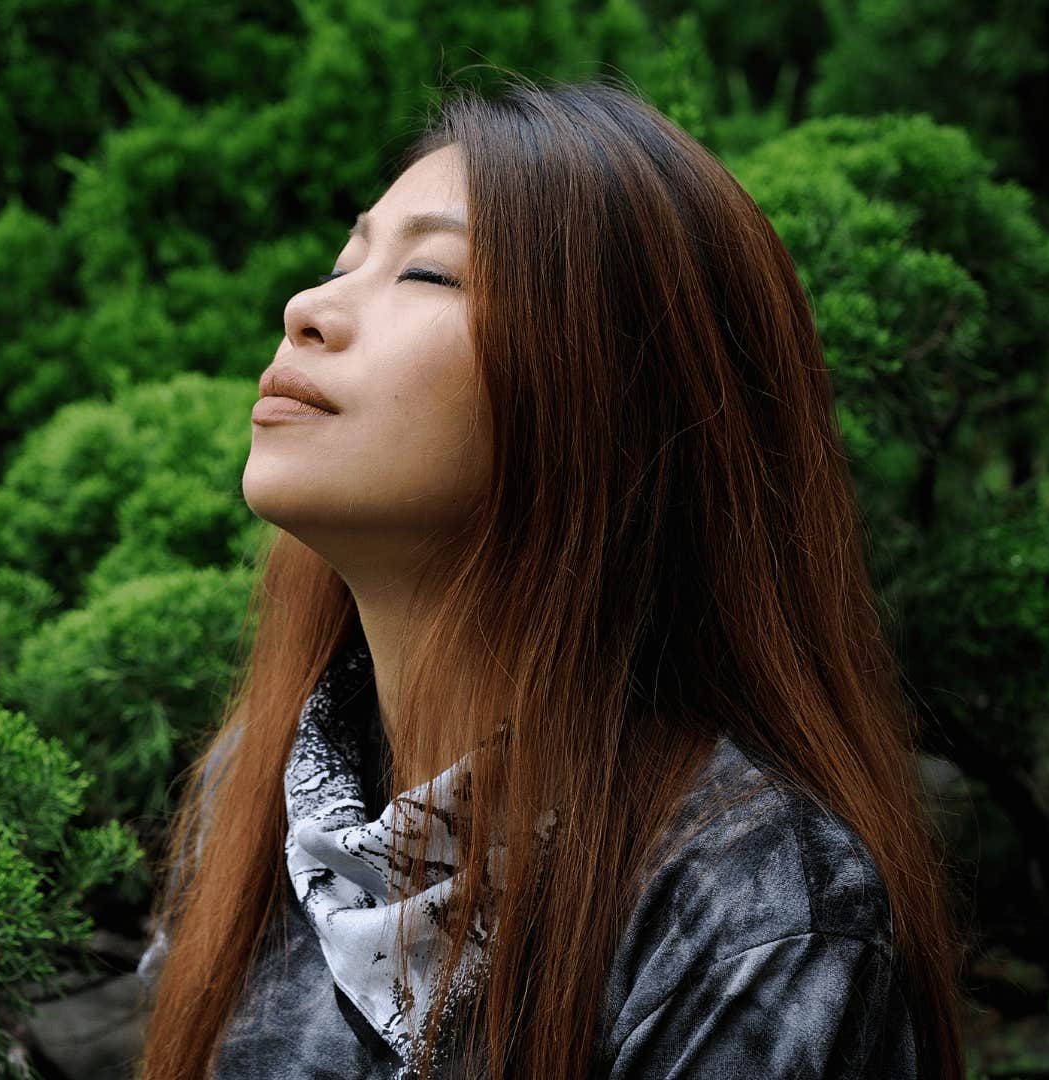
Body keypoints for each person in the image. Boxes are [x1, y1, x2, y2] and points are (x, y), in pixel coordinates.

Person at [135, 72, 967, 1080]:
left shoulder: (750, 904)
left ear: (608, 399)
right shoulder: (259, 799)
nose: (308, 306)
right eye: (346, 259)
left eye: (429, 275)